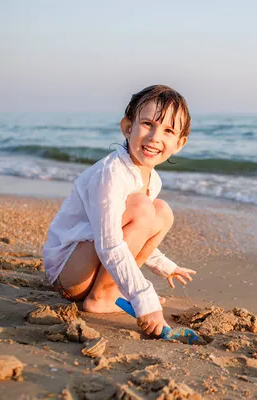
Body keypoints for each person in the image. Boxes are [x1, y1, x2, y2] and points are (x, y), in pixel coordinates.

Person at [43, 85, 196, 337]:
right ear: (128, 127)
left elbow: (134, 232)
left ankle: (110, 290)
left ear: (179, 143)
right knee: (144, 207)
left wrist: (163, 264)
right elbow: (110, 242)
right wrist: (144, 298)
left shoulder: (153, 180)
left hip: (93, 260)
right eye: (147, 124)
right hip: (68, 273)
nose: (155, 137)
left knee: (162, 211)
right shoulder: (112, 173)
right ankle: (102, 297)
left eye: (168, 130)